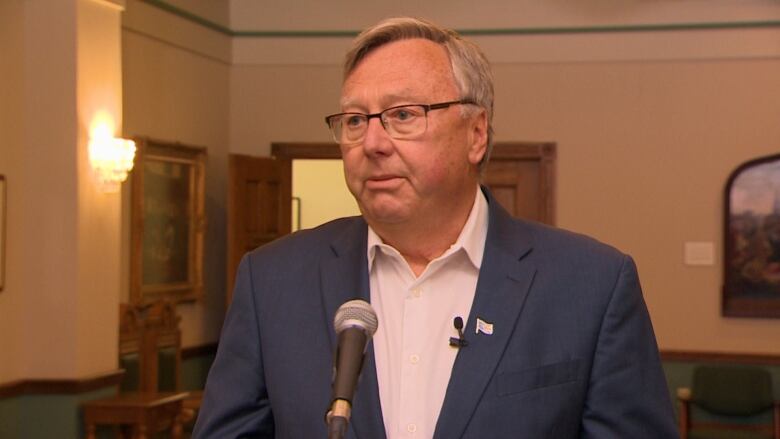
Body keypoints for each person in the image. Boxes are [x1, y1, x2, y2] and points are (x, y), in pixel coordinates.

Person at [193, 17, 678, 438]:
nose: (373, 142)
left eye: (403, 115)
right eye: (355, 120)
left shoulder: (590, 285)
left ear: (476, 133)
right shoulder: (273, 281)